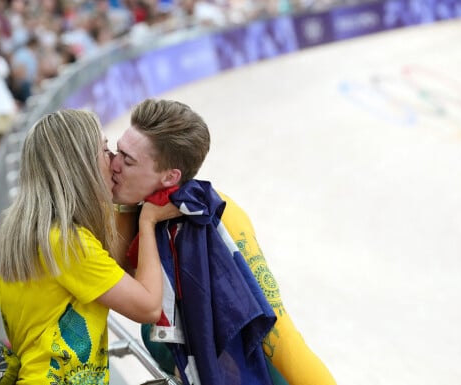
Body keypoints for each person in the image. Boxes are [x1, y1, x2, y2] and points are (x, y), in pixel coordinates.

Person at [110, 98, 336, 385]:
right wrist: (124, 203)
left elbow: (281, 337)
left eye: (127, 160)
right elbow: (116, 274)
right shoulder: (145, 210)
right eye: (117, 151)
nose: (114, 165)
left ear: (170, 177)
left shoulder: (219, 217)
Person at [0, 109, 180, 384]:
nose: (113, 161)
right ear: (81, 164)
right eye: (105, 150)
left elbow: (115, 267)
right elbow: (148, 307)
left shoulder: (36, 229)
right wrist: (149, 221)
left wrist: (126, 199)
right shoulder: (67, 241)